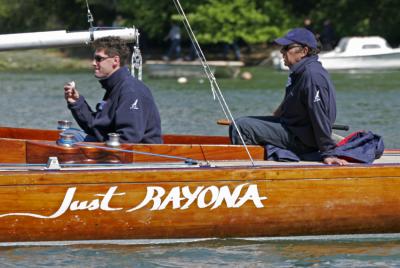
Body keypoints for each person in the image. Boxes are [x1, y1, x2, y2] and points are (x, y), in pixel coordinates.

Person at [229, 28, 348, 165]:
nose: (282, 52)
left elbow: (319, 115)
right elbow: (294, 101)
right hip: (293, 128)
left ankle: (248, 170)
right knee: (243, 121)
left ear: (304, 51)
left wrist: (328, 152)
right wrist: (276, 115)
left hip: (303, 139)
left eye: (286, 48)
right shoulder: (301, 72)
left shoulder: (312, 76)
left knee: (241, 126)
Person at [63, 36, 162, 144]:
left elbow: (128, 138)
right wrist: (76, 103)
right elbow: (96, 127)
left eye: (99, 59)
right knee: (68, 133)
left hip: (140, 157)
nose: (93, 63)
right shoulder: (116, 87)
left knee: (71, 138)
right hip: (118, 151)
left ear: (115, 61)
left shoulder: (130, 91)